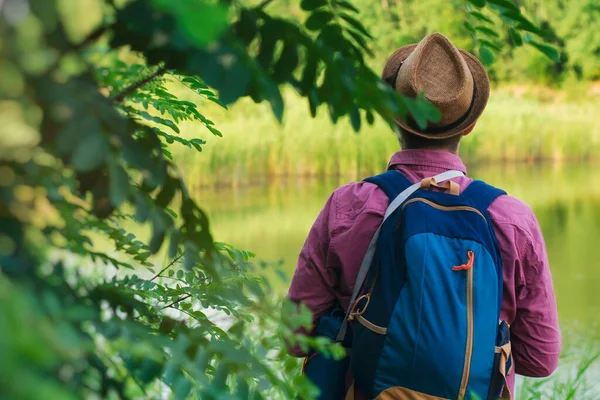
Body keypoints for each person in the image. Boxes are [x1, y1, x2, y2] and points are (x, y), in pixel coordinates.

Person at [287, 33, 561, 399]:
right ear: (468, 125)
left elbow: (295, 337)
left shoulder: (348, 206)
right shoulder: (511, 219)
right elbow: (539, 359)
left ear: (393, 118)